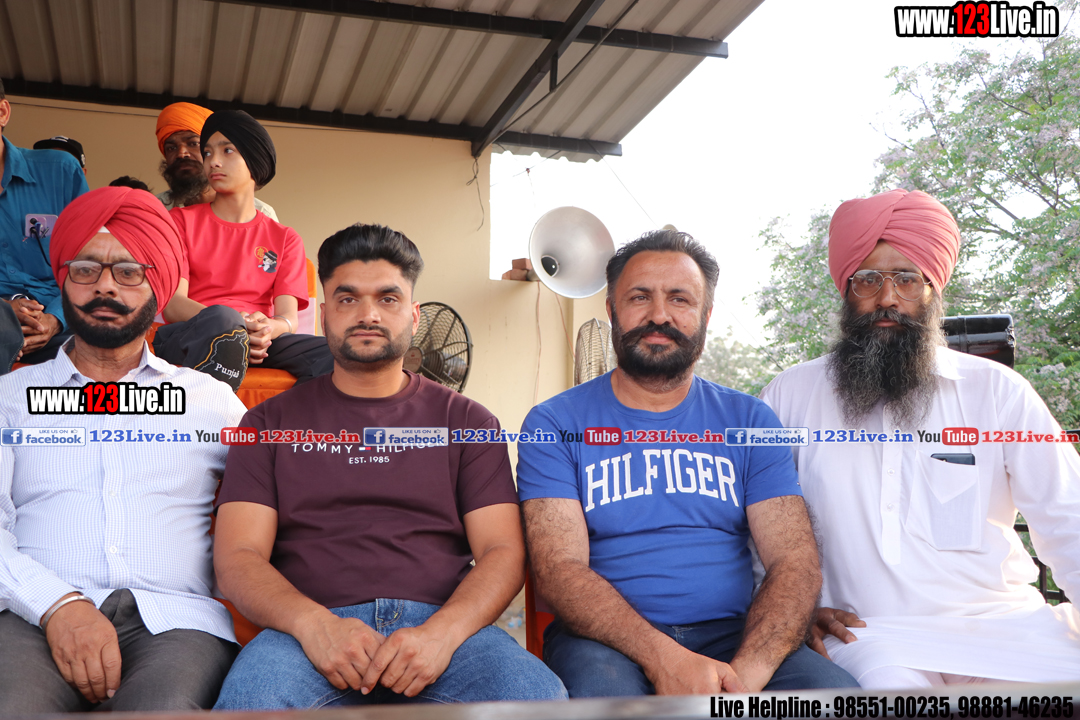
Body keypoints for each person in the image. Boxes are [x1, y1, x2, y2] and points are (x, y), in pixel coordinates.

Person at [211, 224, 566, 709]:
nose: (368, 314)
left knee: (539, 699)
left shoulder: (468, 422)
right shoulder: (267, 423)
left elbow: (503, 550)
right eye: (347, 299)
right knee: (250, 703)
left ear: (414, 315)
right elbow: (238, 557)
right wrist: (314, 625)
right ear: (324, 315)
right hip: (306, 633)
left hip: (446, 631)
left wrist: (443, 634)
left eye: (388, 298)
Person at [760, 188, 1080, 689]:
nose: (888, 298)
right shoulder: (791, 395)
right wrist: (791, 614)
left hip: (1010, 629)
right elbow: (752, 530)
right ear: (847, 291)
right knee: (895, 696)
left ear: (933, 289)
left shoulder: (998, 392)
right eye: (868, 280)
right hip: (870, 638)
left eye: (907, 279)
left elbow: (1068, 520)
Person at [516, 229, 857, 697]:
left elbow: (794, 561)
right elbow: (559, 569)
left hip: (736, 635)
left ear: (705, 315)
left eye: (680, 299)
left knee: (835, 700)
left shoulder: (750, 421)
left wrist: (743, 680)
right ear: (611, 309)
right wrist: (666, 660)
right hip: (606, 643)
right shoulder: (554, 424)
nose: (659, 315)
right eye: (639, 297)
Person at [0, 186, 247, 713]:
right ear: (63, 280)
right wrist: (58, 605)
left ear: (159, 285)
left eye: (130, 271)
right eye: (86, 269)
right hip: (29, 616)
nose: (105, 286)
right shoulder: (10, 399)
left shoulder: (210, 402)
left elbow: (286, 493)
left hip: (176, 623)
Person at [155, 110, 332, 391]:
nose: (213, 161)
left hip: (258, 339)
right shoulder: (179, 221)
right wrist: (236, 326)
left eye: (227, 151)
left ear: (254, 159)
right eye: (208, 152)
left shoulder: (285, 238)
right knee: (222, 318)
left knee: (335, 354)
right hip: (195, 332)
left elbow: (288, 319)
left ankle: (287, 416)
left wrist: (266, 329)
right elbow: (174, 305)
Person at [0, 79, 89, 373]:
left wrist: (55, 319)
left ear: (2, 113)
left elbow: (90, 262)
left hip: (60, 316)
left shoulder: (60, 171)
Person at [154, 102, 278, 220]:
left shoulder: (260, 213)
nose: (181, 153)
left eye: (193, 144)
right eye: (171, 148)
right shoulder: (155, 209)